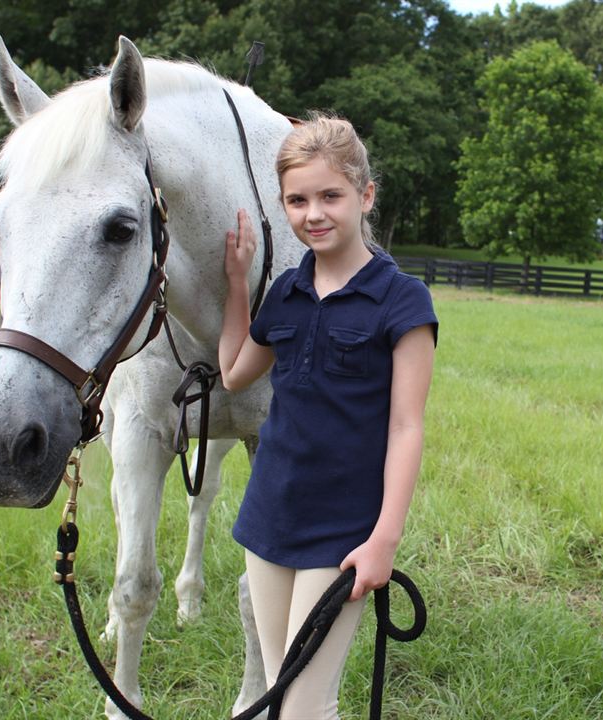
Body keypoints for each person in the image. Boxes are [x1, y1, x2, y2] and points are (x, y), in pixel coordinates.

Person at [218, 115, 437, 720]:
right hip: (268, 517)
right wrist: (238, 285)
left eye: (330, 196)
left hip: (341, 534)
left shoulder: (403, 301)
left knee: (304, 707)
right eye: (297, 199)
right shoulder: (285, 291)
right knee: (275, 693)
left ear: (365, 196)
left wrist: (383, 540)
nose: (313, 213)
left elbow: (406, 427)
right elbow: (235, 371)